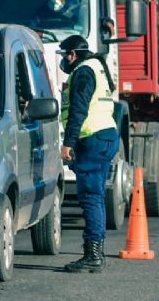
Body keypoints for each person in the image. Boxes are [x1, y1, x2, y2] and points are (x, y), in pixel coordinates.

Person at [58, 35, 118, 274]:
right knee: (97, 196)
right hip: (106, 136)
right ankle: (96, 253)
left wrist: (68, 143)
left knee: (91, 196)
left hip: (92, 139)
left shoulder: (83, 71)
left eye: (65, 55)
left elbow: (78, 110)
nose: (64, 60)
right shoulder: (98, 67)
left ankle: (93, 255)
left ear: (73, 54)